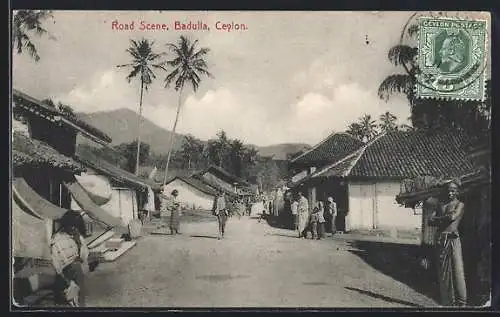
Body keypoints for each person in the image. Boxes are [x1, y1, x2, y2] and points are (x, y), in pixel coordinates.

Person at [429, 180, 467, 306]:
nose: (450, 193)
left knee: (457, 270)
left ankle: (462, 302)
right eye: (448, 190)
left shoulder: (459, 204)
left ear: (457, 191)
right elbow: (430, 220)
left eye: (453, 190)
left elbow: (453, 218)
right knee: (443, 272)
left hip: (453, 239)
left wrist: (438, 219)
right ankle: (448, 301)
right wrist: (443, 219)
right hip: (441, 239)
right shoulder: (440, 205)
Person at [50, 210, 90, 307]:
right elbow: (57, 266)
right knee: (77, 268)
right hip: (64, 277)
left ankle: (79, 303)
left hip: (77, 274)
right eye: (72, 226)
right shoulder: (58, 239)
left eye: (76, 226)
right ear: (66, 225)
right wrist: (68, 282)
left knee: (79, 268)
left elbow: (84, 257)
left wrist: (79, 243)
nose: (74, 228)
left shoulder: (78, 237)